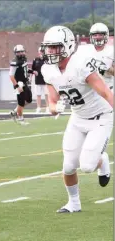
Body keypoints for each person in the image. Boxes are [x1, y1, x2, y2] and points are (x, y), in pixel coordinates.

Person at [41, 25, 113, 213]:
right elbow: (52, 102)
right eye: (48, 47)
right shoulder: (47, 70)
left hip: (100, 117)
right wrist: (55, 108)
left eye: (55, 47)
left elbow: (105, 91)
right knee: (68, 165)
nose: (51, 51)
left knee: (87, 166)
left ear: (67, 45)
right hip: (78, 118)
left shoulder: (81, 63)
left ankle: (102, 160)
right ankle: (74, 203)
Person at [9, 44, 33, 124]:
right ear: (15, 53)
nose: (21, 53)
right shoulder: (15, 62)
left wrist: (32, 71)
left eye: (22, 51)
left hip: (25, 82)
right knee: (21, 103)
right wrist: (16, 86)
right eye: (18, 52)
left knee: (29, 99)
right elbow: (11, 76)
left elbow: (24, 69)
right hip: (19, 83)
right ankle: (20, 119)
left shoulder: (24, 59)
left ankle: (14, 111)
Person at [88, 23, 114, 92]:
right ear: (91, 36)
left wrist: (108, 68)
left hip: (109, 89)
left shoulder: (112, 51)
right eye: (95, 35)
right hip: (90, 91)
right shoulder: (85, 51)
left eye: (100, 35)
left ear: (106, 35)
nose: (98, 37)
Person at [31, 47, 49, 113]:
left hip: (45, 80)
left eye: (43, 51)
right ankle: (38, 107)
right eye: (40, 51)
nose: (41, 52)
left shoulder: (47, 59)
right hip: (38, 80)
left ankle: (48, 107)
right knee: (38, 94)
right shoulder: (35, 60)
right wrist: (32, 74)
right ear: (38, 52)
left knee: (46, 94)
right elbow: (32, 69)